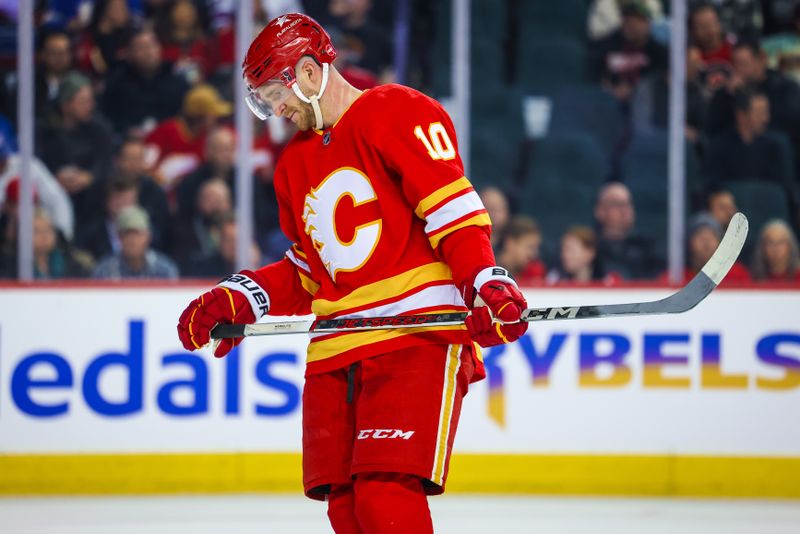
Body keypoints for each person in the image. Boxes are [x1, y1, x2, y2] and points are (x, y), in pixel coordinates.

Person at [176, 13, 527, 534]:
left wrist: (483, 281)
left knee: (385, 499)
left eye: (276, 92)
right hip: (336, 347)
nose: (276, 109)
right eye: (266, 100)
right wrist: (247, 294)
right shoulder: (292, 164)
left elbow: (451, 211)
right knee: (346, 509)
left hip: (414, 335)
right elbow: (312, 271)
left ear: (311, 71)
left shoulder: (397, 110)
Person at [102, 27, 190, 136]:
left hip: (170, 141)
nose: (149, 52)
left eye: (152, 45)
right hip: (129, 142)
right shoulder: (116, 84)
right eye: (141, 48)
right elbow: (107, 119)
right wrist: (125, 131)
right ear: (129, 53)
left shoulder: (177, 80)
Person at [144, 84, 232, 188]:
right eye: (212, 115)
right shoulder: (165, 133)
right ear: (200, 116)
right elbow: (145, 168)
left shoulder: (208, 137)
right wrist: (164, 180)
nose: (216, 119)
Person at [594, 181, 663, 279]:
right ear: (600, 210)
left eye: (628, 204)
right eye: (616, 204)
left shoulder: (649, 249)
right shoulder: (590, 248)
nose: (624, 210)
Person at [93, 205, 179, 279]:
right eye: (127, 234)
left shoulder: (164, 269)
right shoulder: (105, 270)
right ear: (119, 237)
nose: (132, 239)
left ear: (148, 236)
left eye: (137, 233)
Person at [495, 215, 545, 286]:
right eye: (530, 247)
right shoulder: (487, 268)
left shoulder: (535, 271)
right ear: (510, 243)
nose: (534, 254)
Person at [478, 186, 510, 254]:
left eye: (500, 209)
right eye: (492, 209)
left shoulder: (511, 243)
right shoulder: (473, 242)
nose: (497, 214)